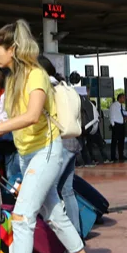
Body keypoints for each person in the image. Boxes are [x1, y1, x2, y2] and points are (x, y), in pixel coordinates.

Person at [0, 20, 107, 253]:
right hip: (27, 154)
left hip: (46, 152)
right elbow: (17, 121)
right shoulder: (15, 79)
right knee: (54, 215)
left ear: (13, 49)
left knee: (21, 217)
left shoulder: (35, 75)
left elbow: (32, 116)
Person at [38, 56, 82, 235]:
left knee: (50, 189)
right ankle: (76, 232)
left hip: (59, 142)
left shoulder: (47, 87)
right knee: (67, 190)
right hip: (72, 140)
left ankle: (61, 235)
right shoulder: (63, 86)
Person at [108, 93, 127, 162]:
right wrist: (113, 125)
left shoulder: (123, 106)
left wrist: (125, 119)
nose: (124, 99)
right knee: (114, 141)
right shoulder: (114, 105)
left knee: (121, 141)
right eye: (123, 98)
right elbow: (111, 115)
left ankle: (121, 155)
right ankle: (113, 156)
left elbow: (123, 114)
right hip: (116, 124)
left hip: (122, 124)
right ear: (119, 98)